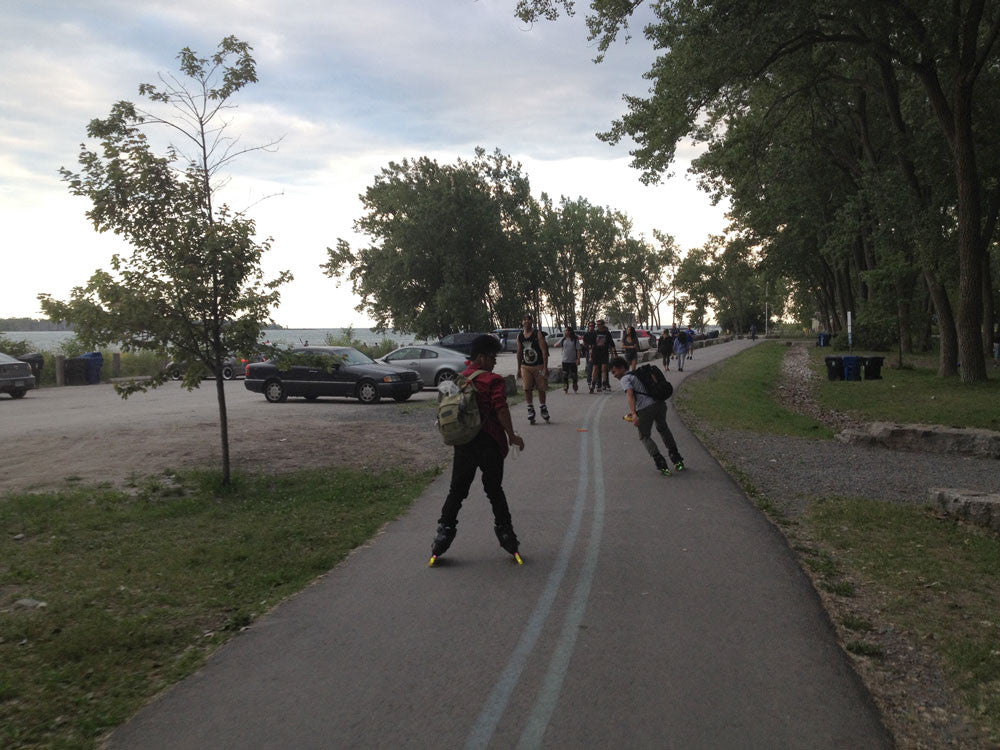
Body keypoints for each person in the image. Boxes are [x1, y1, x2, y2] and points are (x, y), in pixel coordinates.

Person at [430, 334, 525, 564]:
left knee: (457, 490)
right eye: (493, 357)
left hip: (464, 443)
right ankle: (506, 534)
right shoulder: (493, 380)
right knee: (494, 490)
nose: (495, 362)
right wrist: (512, 435)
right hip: (490, 443)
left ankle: (443, 533)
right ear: (481, 357)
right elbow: (501, 409)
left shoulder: (458, 379)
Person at [610, 356, 685, 476]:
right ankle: (676, 457)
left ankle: (660, 462)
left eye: (614, 371)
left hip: (645, 410)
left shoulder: (625, 379)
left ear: (622, 368)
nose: (613, 375)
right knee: (663, 428)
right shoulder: (637, 374)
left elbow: (630, 394)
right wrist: (634, 410)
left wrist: (634, 414)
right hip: (660, 404)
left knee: (644, 436)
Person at [516, 313, 550, 424]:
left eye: (529, 319)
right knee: (526, 388)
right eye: (524, 319)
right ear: (522, 322)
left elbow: (544, 351)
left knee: (541, 388)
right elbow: (519, 352)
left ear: (532, 322)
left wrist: (545, 367)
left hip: (538, 365)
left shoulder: (537, 334)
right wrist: (518, 369)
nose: (526, 321)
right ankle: (530, 408)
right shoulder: (520, 336)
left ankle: (543, 407)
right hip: (525, 366)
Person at [589, 319, 616, 393]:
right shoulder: (595, 333)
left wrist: (613, 354)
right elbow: (592, 345)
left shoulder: (607, 333)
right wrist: (590, 356)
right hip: (596, 353)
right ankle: (593, 385)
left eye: (599, 324)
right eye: (597, 324)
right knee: (595, 369)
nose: (598, 326)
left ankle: (604, 384)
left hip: (604, 353)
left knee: (604, 369)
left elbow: (611, 344)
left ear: (603, 325)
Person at [560, 325, 582, 393]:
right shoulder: (563, 339)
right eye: (565, 331)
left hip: (573, 360)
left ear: (570, 332)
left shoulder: (575, 340)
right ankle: (565, 387)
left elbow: (578, 350)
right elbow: (557, 345)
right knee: (565, 375)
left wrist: (578, 359)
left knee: (574, 375)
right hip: (565, 360)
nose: (565, 332)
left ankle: (575, 385)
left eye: (566, 330)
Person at [582, 320, 596, 389]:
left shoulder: (596, 334)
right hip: (588, 352)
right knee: (589, 367)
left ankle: (595, 382)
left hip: (596, 352)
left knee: (596, 367)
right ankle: (589, 381)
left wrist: (594, 346)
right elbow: (584, 344)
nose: (591, 327)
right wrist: (588, 346)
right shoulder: (586, 334)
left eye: (593, 326)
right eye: (590, 326)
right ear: (588, 326)